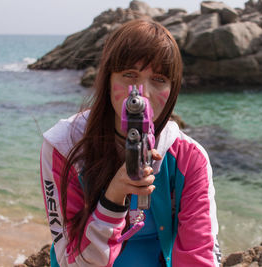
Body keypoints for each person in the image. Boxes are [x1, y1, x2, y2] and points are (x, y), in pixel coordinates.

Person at [40, 19, 221, 266]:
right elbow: (72, 260)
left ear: (173, 89)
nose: (142, 93)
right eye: (129, 75)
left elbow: (198, 254)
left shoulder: (189, 158)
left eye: (158, 79)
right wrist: (113, 199)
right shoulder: (62, 146)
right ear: (107, 80)